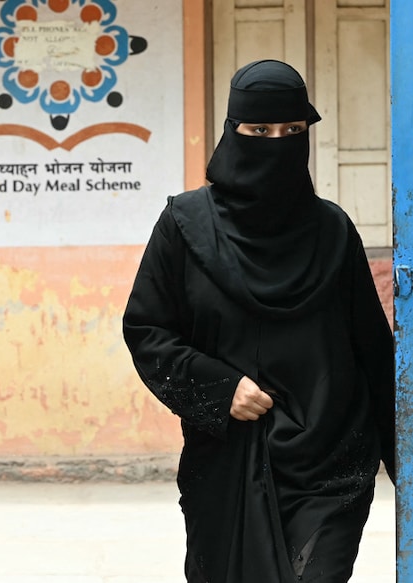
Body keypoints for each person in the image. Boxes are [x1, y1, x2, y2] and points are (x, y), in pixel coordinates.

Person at [122, 59, 395, 582]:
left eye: (293, 131)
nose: (277, 143)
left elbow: (373, 352)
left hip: (331, 463)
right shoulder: (185, 226)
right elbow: (147, 331)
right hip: (227, 462)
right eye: (259, 131)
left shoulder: (332, 232)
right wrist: (221, 388)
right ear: (233, 132)